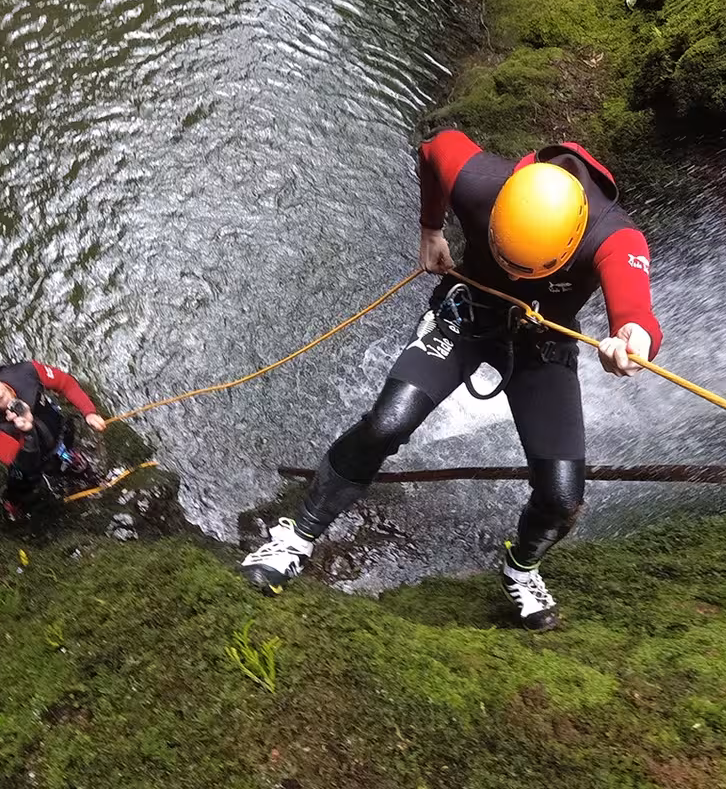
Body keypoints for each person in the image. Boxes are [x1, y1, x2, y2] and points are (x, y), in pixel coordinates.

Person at [241, 128, 663, 631]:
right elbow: (433, 147)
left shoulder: (615, 237)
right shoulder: (482, 181)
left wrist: (632, 342)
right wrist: (430, 228)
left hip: (539, 346)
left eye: (526, 269)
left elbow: (636, 314)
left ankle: (521, 569)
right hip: (463, 317)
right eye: (504, 255)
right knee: (386, 425)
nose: (514, 271)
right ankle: (297, 535)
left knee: (562, 495)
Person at [0, 359, 110, 520]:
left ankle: (71, 459)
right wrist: (28, 432)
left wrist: (89, 412)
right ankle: (14, 502)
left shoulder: (26, 372)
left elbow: (65, 383)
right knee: (23, 481)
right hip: (35, 458)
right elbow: (24, 465)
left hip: (58, 432)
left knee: (78, 463)